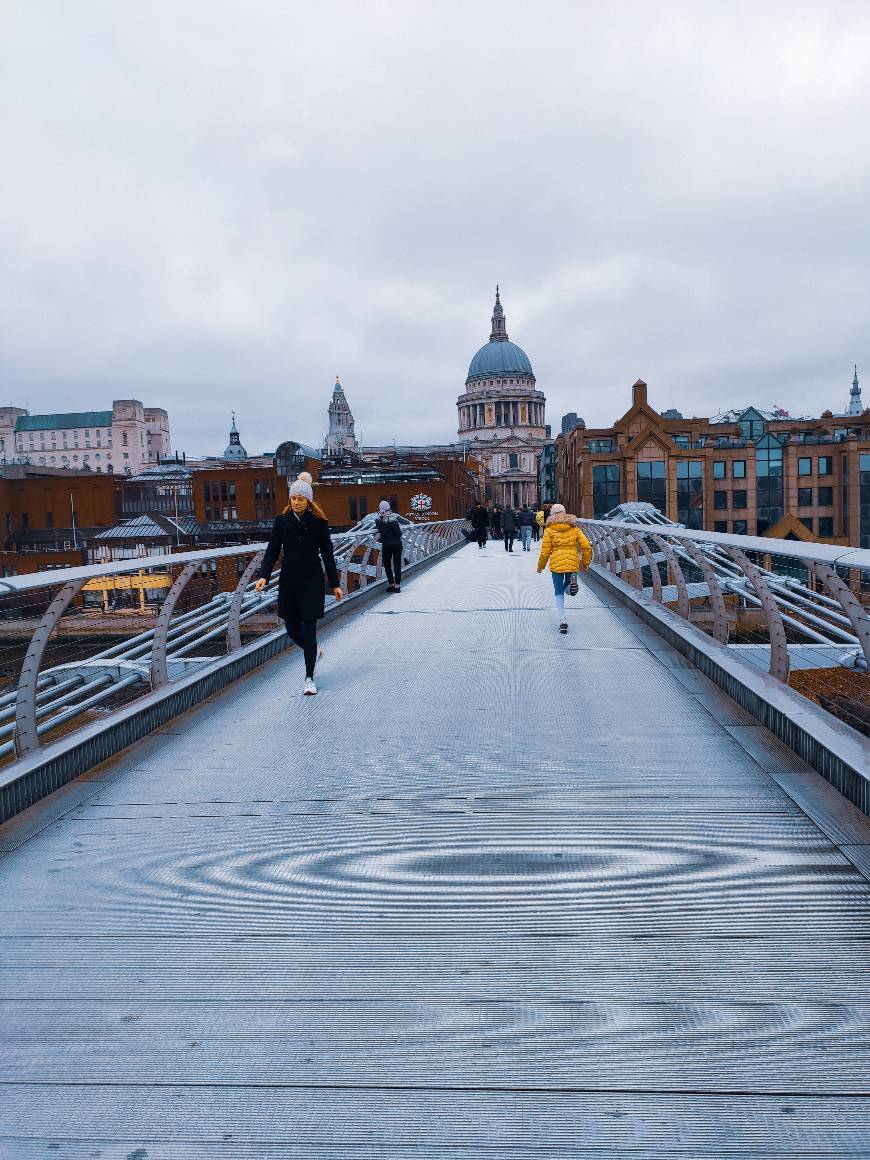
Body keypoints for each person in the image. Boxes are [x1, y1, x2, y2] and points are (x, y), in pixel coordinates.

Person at [255, 472, 342, 695]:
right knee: (292, 628)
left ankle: (309, 678)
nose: (296, 502)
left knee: (309, 629)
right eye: (293, 498)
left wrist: (335, 584)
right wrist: (264, 575)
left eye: (300, 499)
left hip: (312, 580)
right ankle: (314, 652)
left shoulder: (319, 524)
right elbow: (272, 550)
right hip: (289, 581)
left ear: (308, 501)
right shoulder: (281, 522)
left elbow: (328, 555)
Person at [536, 502, 593, 635]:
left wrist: (540, 567)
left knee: (558, 591)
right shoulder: (575, 528)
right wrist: (585, 563)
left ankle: (563, 620)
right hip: (572, 561)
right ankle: (571, 586)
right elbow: (586, 547)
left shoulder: (549, 530)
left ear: (551, 515)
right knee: (568, 586)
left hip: (556, 563)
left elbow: (545, 552)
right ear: (565, 513)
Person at [376, 499, 403, 592]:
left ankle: (391, 584)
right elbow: (399, 534)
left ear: (380, 510)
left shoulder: (378, 520)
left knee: (387, 565)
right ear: (389, 508)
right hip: (397, 545)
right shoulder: (393, 519)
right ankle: (397, 586)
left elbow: (381, 530)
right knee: (397, 565)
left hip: (386, 545)